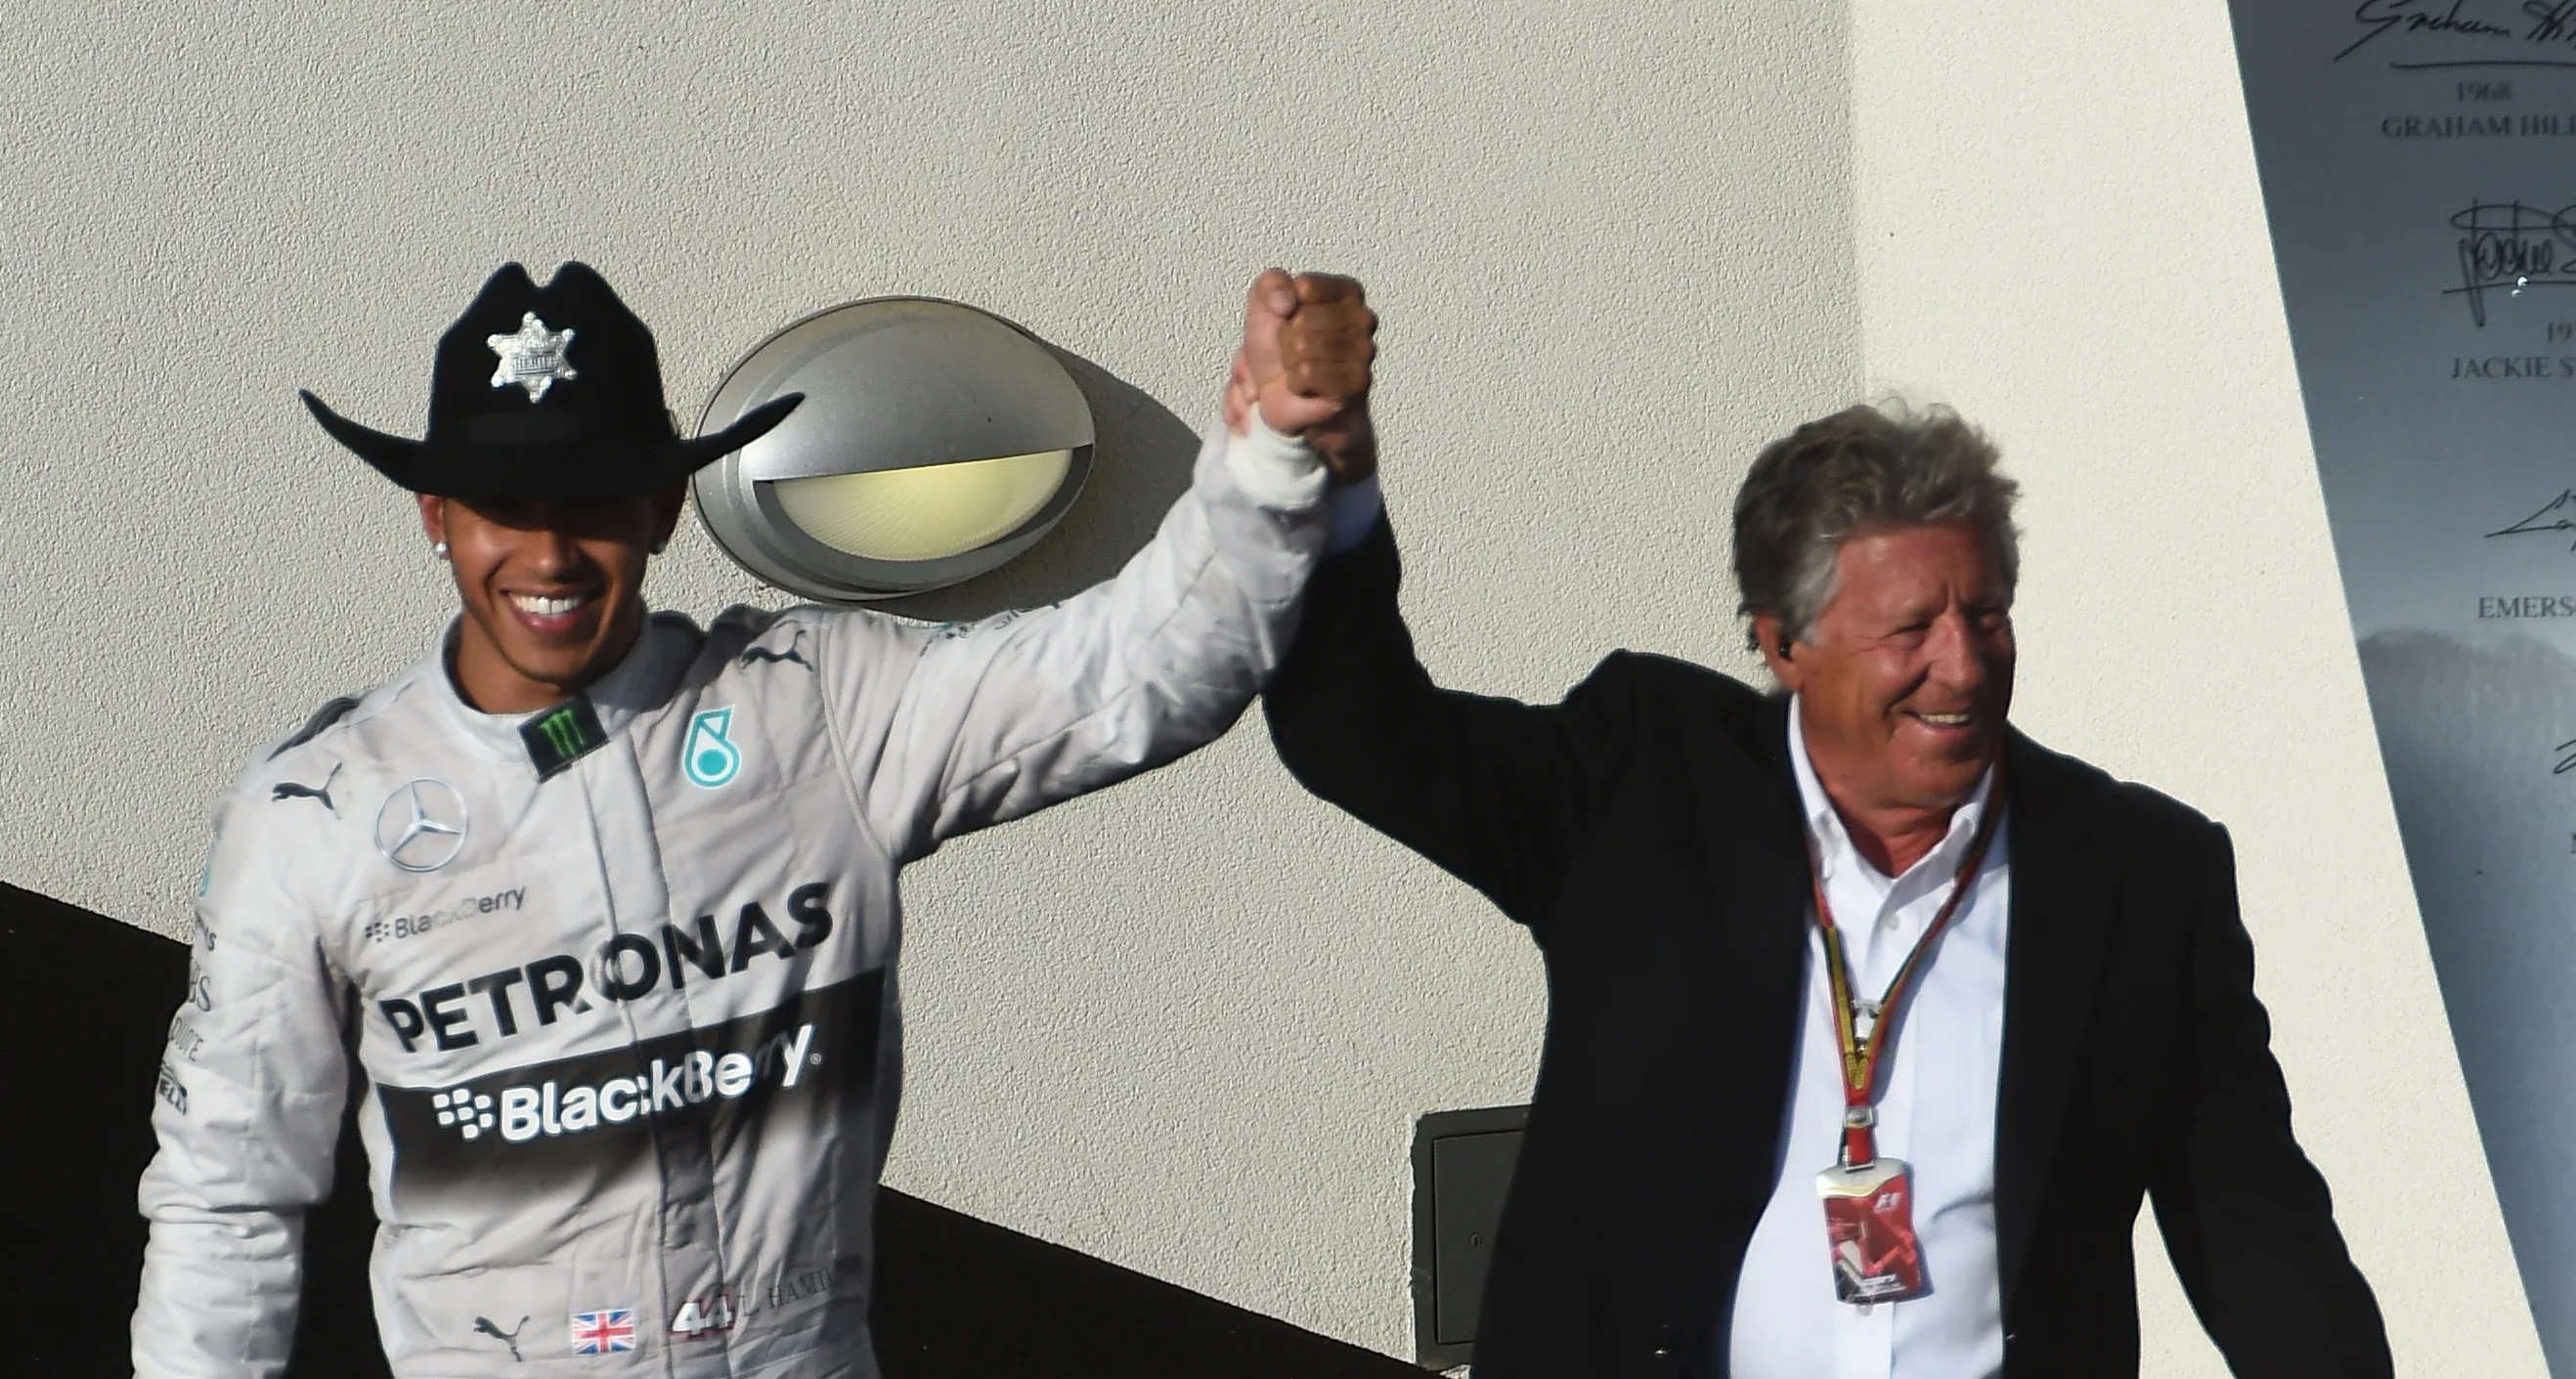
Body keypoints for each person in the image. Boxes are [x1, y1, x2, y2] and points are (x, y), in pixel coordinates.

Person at [132, 260, 1381, 1378]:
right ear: (435, 515)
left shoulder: (817, 707)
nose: (552, 553)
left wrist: (1273, 454)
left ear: (667, 508)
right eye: (507, 505)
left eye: (597, 498)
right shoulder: (316, 811)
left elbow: (1138, 674)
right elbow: (225, 1196)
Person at [1259, 402, 2393, 1378]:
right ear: (1782, 642)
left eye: (1986, 613)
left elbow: (2262, 1243)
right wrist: (1325, 483)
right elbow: (1360, 739)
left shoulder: (2138, 877)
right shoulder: (1639, 786)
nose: (1963, 662)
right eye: (1911, 628)